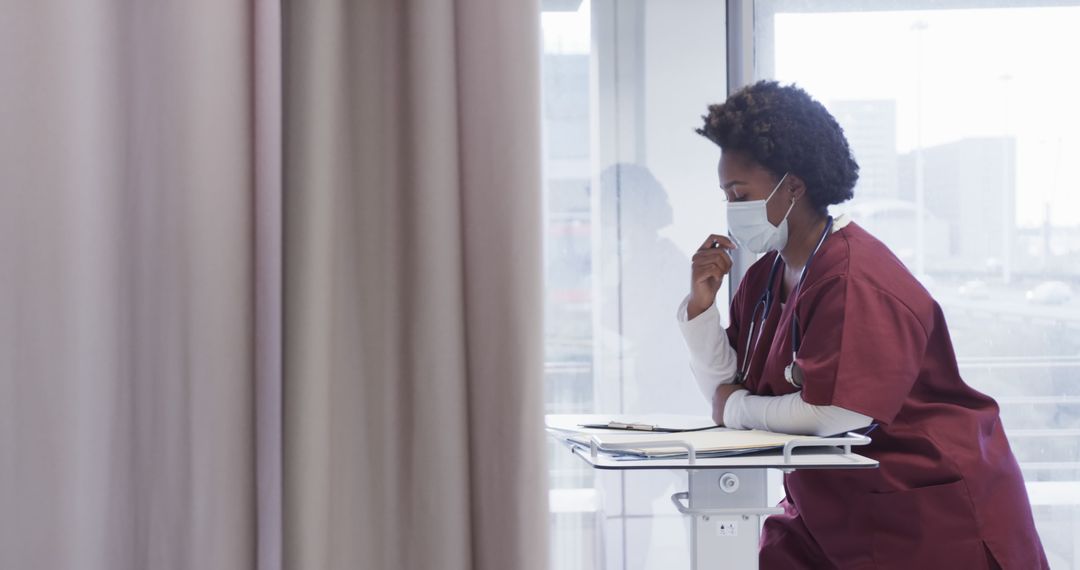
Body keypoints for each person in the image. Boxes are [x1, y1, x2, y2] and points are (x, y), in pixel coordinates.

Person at [676, 81, 1048, 569]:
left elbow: (837, 413)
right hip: (831, 503)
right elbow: (725, 388)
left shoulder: (855, 276)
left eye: (739, 194)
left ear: (794, 186)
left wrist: (737, 409)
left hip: (922, 504)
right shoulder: (766, 276)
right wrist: (701, 308)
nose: (730, 209)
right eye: (725, 195)